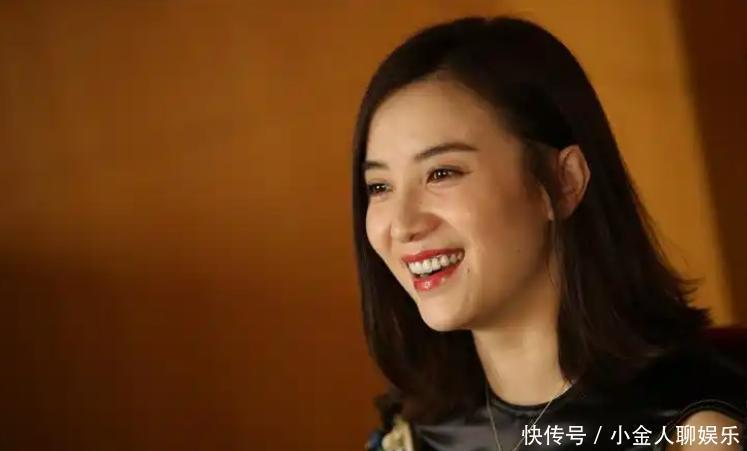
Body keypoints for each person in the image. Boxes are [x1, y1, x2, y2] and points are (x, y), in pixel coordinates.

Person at [350, 16, 746, 451]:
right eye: (379, 187)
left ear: (563, 182)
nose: (403, 225)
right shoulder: (411, 431)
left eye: (442, 173)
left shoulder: (694, 429)